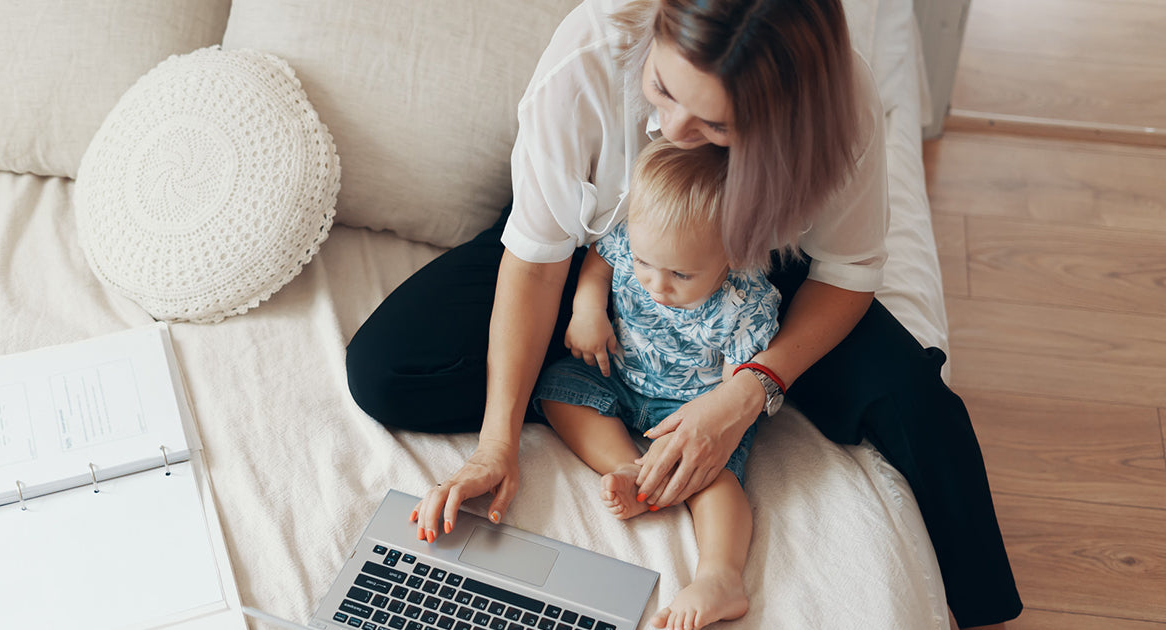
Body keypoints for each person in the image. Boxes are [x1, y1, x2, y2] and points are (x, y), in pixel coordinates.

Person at [345, 0, 1022, 627]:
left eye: (716, 125)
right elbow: (537, 260)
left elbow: (846, 274)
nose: (672, 131)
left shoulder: (840, 102)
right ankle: (600, 383)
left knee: (918, 406)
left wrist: (745, 392)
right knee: (388, 371)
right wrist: (497, 446)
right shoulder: (593, 52)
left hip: (746, 272)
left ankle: (982, 609)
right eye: (663, 90)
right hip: (599, 250)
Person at [535, 136, 780, 629]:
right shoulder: (632, 242)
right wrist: (587, 309)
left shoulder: (747, 303)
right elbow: (600, 263)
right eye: (645, 264)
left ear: (735, 253)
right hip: (620, 377)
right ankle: (634, 471)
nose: (655, 284)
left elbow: (733, 392)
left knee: (714, 479)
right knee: (560, 389)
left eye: (680, 274)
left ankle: (720, 576)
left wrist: (702, 431)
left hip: (694, 409)